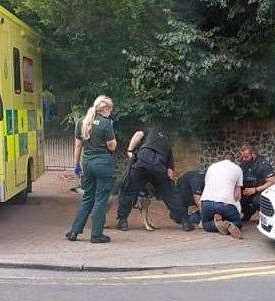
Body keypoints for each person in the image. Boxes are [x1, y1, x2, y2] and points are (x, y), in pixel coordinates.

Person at [116, 127, 194, 232]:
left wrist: (130, 150)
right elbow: (170, 172)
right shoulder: (167, 145)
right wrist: (166, 184)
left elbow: (138, 134)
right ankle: (185, 222)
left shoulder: (149, 131)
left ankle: (122, 221)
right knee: (170, 195)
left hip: (141, 163)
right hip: (158, 168)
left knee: (129, 191)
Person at [65, 95, 117, 243]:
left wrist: (76, 165)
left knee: (88, 197)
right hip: (103, 164)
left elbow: (77, 145)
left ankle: (74, 232)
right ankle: (96, 234)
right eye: (110, 109)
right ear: (105, 109)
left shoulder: (82, 121)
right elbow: (112, 146)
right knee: (101, 199)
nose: (110, 112)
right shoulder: (106, 123)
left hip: (87, 163)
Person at [200, 159, 243, 239]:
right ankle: (227, 224)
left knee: (205, 224)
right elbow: (237, 196)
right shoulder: (238, 169)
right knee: (238, 223)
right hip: (225, 204)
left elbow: (207, 185)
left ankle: (217, 223)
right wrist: (238, 210)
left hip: (206, 203)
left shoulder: (211, 167)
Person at [239, 144, 275, 222]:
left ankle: (266, 218)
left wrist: (256, 189)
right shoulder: (243, 161)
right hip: (248, 187)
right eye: (242, 156)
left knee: (257, 201)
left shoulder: (263, 164)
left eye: (246, 157)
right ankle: (247, 214)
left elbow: (273, 181)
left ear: (253, 154)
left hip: (262, 189)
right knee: (238, 197)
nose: (244, 159)